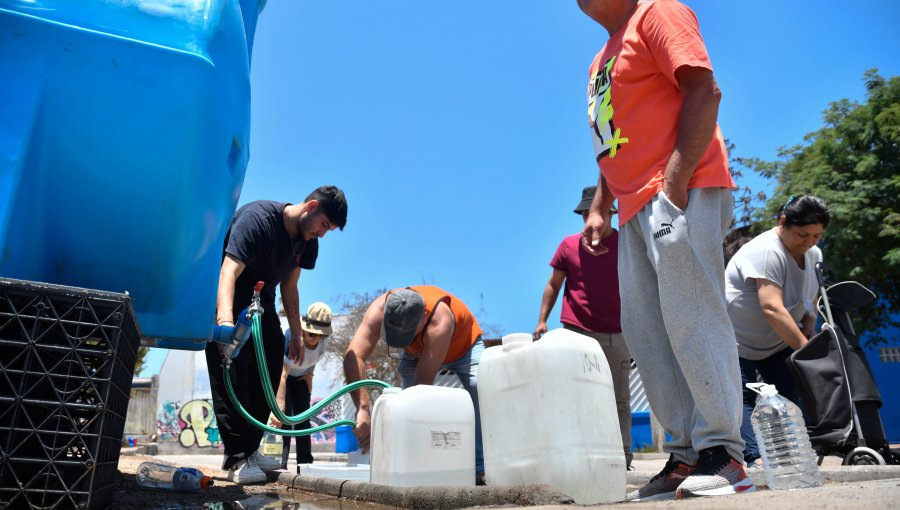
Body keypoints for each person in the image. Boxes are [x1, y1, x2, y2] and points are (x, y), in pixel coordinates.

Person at [575, 0, 755, 500]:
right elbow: (612, 141)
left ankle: (726, 454)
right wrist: (600, 205)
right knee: (648, 333)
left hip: (680, 187)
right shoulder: (600, 59)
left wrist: (673, 188)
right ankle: (685, 456)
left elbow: (704, 89)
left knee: (692, 314)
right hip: (632, 204)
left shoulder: (658, 12)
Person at [204, 185, 347, 484]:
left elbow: (290, 288)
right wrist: (225, 323)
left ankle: (251, 450)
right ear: (310, 207)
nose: (322, 234)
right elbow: (228, 271)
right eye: (324, 225)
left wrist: (295, 333)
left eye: (329, 230)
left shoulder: (307, 243)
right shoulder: (258, 220)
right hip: (227, 299)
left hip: (262, 304)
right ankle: (237, 457)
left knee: (270, 368)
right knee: (233, 372)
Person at [343, 286, 486, 483]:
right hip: (417, 351)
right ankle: (410, 463)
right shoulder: (379, 308)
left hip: (464, 347)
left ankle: (480, 466)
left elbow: (421, 393)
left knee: (480, 387)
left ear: (422, 318)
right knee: (408, 413)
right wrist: (363, 408)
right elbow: (353, 356)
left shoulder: (439, 321)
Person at [534, 185, 633, 468]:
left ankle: (622, 457)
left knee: (619, 398)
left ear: (611, 212)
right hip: (576, 331)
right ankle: (578, 455)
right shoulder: (568, 245)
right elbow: (554, 285)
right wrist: (542, 320)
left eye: (599, 212)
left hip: (618, 331)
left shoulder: (627, 243)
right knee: (576, 395)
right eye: (585, 215)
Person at [725, 195, 829, 466]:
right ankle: (755, 459)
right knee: (744, 396)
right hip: (737, 339)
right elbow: (771, 307)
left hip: (777, 338)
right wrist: (806, 350)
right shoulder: (767, 251)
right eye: (802, 234)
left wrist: (809, 328)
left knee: (791, 392)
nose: (809, 242)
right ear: (783, 222)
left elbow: (811, 298)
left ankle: (793, 454)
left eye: (817, 236)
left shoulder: (813, 253)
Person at [269, 302, 335, 471]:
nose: (315, 338)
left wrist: (309, 377)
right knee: (283, 419)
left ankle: (304, 465)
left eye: (320, 334)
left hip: (301, 379)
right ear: (304, 328)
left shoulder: (323, 341)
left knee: (303, 421)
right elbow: (283, 374)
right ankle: (281, 464)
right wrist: (279, 404)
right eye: (312, 333)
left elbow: (314, 360)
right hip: (284, 377)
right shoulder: (292, 338)